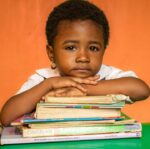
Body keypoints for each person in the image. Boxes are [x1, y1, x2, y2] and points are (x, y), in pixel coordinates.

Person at [0, 0, 149, 126]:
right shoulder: (44, 79)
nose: (83, 57)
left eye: (93, 48)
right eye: (71, 47)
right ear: (51, 53)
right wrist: (49, 85)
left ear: (103, 50)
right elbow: (6, 117)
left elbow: (141, 90)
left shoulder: (105, 75)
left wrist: (82, 89)